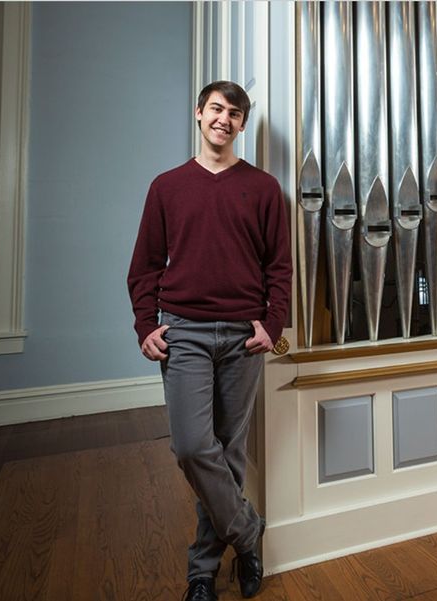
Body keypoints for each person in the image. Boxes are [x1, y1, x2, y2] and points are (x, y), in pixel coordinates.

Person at [127, 80, 290, 601]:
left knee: (229, 453)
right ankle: (247, 534)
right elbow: (145, 267)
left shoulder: (264, 188)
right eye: (216, 109)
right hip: (186, 332)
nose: (224, 119)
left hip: (245, 336)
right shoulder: (167, 186)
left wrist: (273, 322)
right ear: (198, 114)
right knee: (195, 447)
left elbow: (279, 267)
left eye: (235, 113)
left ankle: (202, 571)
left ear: (243, 124)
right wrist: (145, 324)